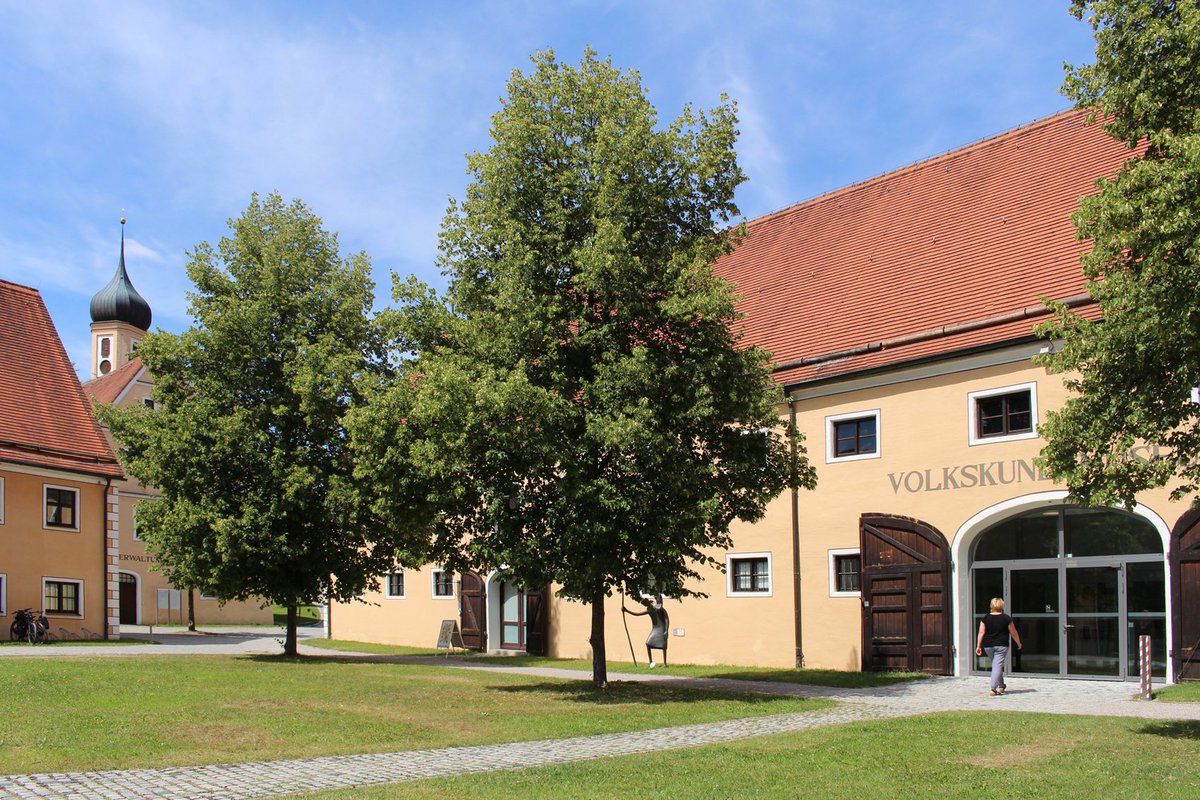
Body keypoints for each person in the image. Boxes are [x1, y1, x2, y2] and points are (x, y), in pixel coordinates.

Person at [975, 597, 1022, 696]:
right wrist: (1018, 643)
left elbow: (981, 633)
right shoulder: (1006, 618)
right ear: (1002, 606)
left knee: (996, 664)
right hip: (1002, 645)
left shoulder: (985, 618)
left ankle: (1001, 685)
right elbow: (1013, 633)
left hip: (988, 646)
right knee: (997, 665)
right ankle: (993, 688)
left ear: (991, 606)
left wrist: (978, 646)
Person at [623, 594, 669, 667]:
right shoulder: (650, 610)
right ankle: (650, 661)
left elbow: (666, 620)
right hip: (655, 630)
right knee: (648, 643)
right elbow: (637, 614)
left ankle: (664, 663)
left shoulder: (662, 610)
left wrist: (666, 630)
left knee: (663, 646)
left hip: (662, 629)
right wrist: (627, 611)